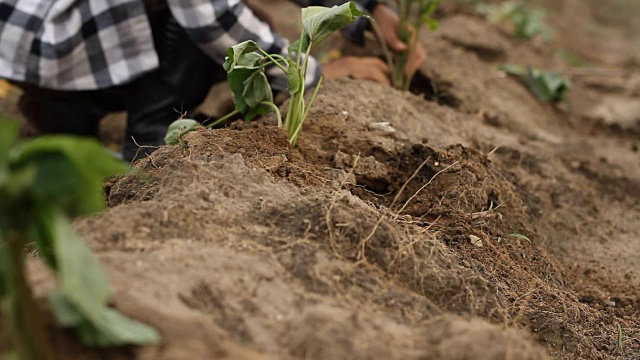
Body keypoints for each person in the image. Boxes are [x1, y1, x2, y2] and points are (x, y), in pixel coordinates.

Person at [0, 0, 425, 161]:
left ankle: (69, 107)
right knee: (216, 29)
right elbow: (211, 19)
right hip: (45, 41)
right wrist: (315, 74)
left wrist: (369, 10)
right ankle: (150, 137)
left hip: (35, 41)